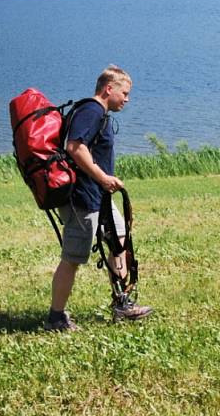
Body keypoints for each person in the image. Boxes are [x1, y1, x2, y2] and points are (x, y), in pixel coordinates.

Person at [45, 65, 153, 332]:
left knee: (119, 239)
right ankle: (55, 317)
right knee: (73, 258)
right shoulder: (91, 111)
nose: (127, 99)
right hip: (82, 197)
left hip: (98, 196)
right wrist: (102, 177)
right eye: (124, 93)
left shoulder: (97, 113)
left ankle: (122, 304)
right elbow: (75, 147)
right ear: (109, 89)